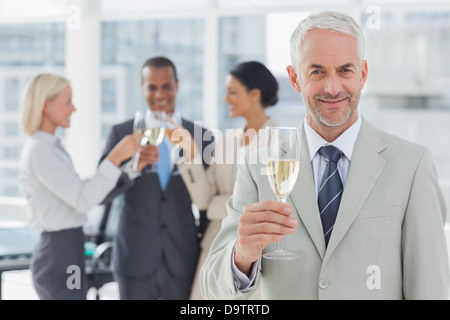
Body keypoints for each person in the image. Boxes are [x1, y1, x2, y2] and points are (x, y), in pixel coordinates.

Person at [200, 11, 449, 300]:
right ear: (294, 78)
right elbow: (212, 291)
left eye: (345, 70)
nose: (332, 88)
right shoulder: (257, 166)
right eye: (317, 71)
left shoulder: (412, 165)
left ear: (363, 75)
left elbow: (430, 289)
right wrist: (242, 255)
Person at [17, 73, 142, 300]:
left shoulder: (51, 147)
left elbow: (84, 192)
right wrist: (115, 157)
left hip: (69, 250)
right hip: (60, 254)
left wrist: (131, 168)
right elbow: (83, 200)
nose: (73, 109)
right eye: (67, 102)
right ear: (46, 105)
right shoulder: (40, 150)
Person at [100, 56, 215, 300]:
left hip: (183, 257)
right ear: (142, 88)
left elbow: (208, 202)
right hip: (134, 258)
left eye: (166, 86)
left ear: (177, 85)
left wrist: (207, 252)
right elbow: (102, 193)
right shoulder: (122, 133)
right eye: (152, 87)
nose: (160, 94)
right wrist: (131, 169)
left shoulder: (200, 135)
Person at [177, 61, 279, 300]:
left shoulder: (281, 143)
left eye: (232, 92)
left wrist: (220, 206)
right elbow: (203, 200)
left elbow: (269, 205)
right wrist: (191, 156)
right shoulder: (227, 141)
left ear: (255, 94)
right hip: (216, 248)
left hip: (256, 258)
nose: (226, 99)